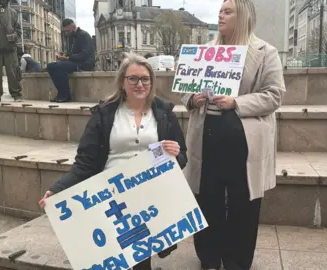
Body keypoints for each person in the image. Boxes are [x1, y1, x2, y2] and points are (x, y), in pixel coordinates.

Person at [39, 53, 187, 270]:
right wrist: (58, 189)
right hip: (112, 197)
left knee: (140, 258)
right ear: (122, 82)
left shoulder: (164, 113)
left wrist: (175, 154)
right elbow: (85, 162)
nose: (140, 84)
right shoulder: (105, 114)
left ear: (152, 82)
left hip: (149, 197)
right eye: (133, 79)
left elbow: (181, 155)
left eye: (145, 79)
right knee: (115, 257)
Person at [180, 1, 286, 269]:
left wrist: (237, 103)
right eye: (220, 11)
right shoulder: (203, 52)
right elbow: (184, 92)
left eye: (227, 11)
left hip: (243, 142)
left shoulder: (265, 52)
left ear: (244, 17)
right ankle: (210, 256)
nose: (220, 15)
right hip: (207, 138)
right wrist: (193, 97)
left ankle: (237, 260)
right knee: (206, 198)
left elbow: (274, 95)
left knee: (244, 204)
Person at [47, 18, 95, 103]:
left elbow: (84, 55)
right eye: (65, 32)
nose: (66, 33)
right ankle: (61, 93)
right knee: (50, 66)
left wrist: (68, 58)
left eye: (67, 31)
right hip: (75, 62)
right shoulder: (72, 37)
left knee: (60, 67)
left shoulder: (84, 35)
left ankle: (65, 95)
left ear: (73, 27)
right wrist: (65, 55)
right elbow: (73, 53)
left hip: (85, 64)